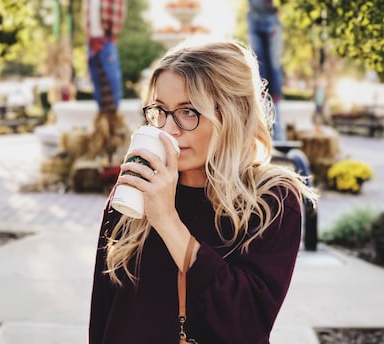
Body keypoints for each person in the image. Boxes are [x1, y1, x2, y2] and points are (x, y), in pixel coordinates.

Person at [89, 40, 317, 343]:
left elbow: (246, 323)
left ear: (232, 114)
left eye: (187, 112)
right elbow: (104, 312)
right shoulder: (137, 187)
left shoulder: (270, 200)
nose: (168, 130)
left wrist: (168, 221)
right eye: (160, 111)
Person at [60, 0, 175, 112]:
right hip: (91, 35)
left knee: (111, 78)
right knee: (97, 80)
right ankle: (103, 118)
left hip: (106, 33)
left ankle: (114, 116)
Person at [198, 0, 286, 140]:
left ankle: (278, 127)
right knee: (258, 66)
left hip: (273, 20)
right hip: (254, 19)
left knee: (274, 67)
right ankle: (262, 123)